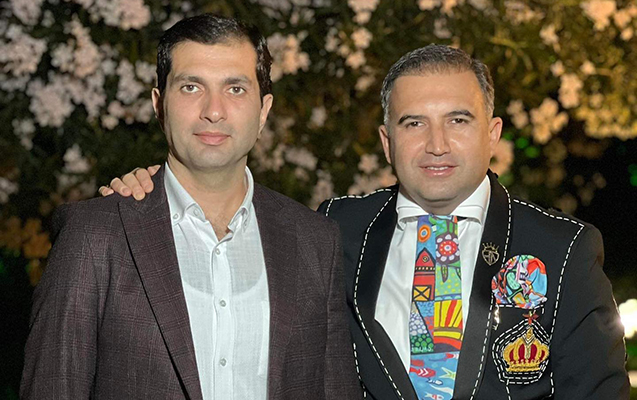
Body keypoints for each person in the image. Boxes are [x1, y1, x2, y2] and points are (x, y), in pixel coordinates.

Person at [103, 45, 629, 399]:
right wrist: (152, 189)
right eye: (414, 123)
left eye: (458, 121)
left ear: (492, 133)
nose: (437, 144)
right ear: (386, 141)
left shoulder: (563, 249)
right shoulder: (334, 229)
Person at [21, 14, 362, 400]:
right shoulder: (95, 235)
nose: (213, 110)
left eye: (235, 89)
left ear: (264, 110)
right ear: (159, 105)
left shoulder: (315, 240)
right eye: (190, 87)